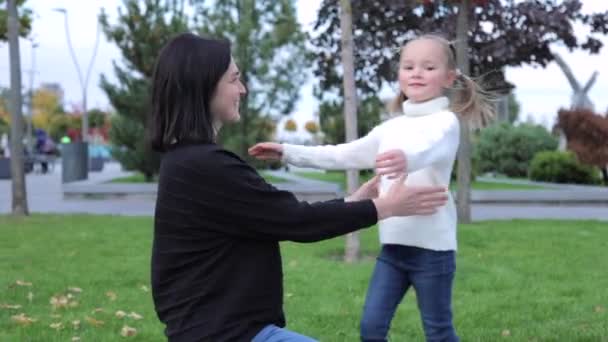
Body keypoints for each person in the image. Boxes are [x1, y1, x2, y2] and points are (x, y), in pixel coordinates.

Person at [149, 32, 450, 342]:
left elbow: (280, 216)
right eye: (234, 79)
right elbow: (297, 221)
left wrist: (355, 200)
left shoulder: (186, 162)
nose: (243, 88)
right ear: (204, 85)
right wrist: (384, 207)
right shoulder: (206, 166)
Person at [249, 34, 494, 342]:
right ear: (399, 75)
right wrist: (288, 152)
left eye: (428, 67)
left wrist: (407, 159)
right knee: (371, 329)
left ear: (448, 77)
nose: (417, 73)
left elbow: (428, 149)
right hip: (393, 250)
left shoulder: (446, 123)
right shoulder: (391, 128)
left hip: (434, 252)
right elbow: (342, 153)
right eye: (408, 66)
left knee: (439, 332)